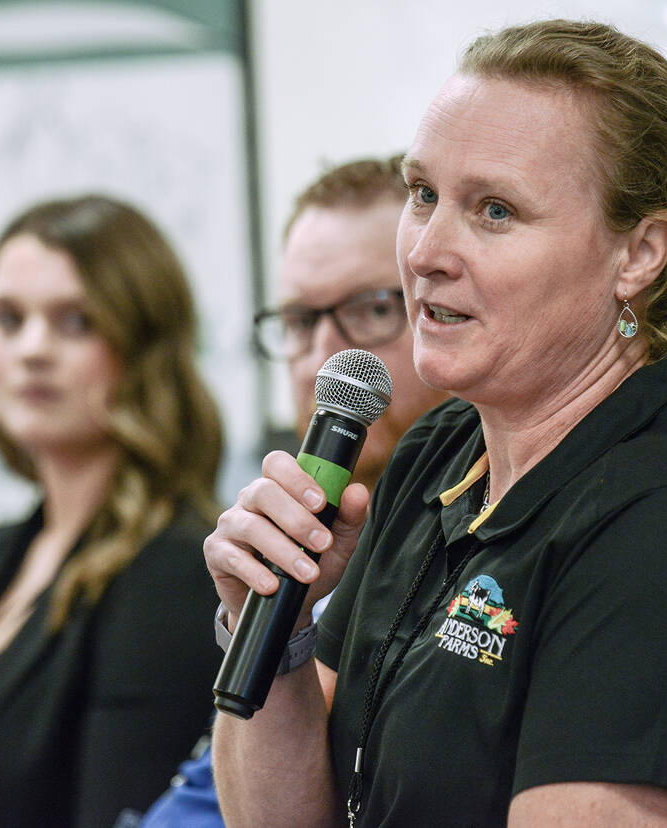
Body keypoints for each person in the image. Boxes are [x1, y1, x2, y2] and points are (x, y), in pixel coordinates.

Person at [204, 19, 667, 827]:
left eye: (494, 210)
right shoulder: (435, 454)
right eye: (423, 195)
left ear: (639, 254)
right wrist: (272, 630)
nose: (424, 252)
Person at [0, 194, 226, 828]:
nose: (32, 349)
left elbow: (123, 810)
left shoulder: (171, 571)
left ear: (144, 347)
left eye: (75, 321)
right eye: (7, 318)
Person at [139, 155, 447, 826]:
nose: (325, 357)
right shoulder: (276, 548)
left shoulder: (466, 558)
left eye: (370, 309)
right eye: (301, 321)